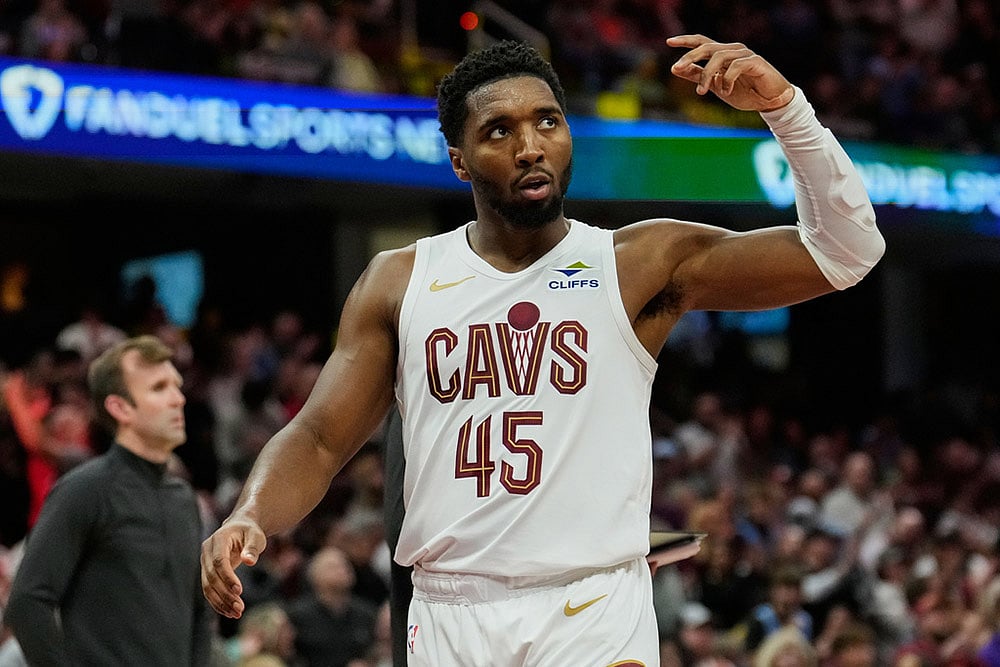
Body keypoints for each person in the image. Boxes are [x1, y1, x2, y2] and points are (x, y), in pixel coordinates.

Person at [201, 34, 885, 666]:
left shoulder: (635, 262)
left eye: (547, 122)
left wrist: (785, 109)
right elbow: (320, 437)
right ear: (459, 159)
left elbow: (846, 252)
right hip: (450, 613)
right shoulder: (400, 278)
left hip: (592, 607)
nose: (530, 145)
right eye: (500, 130)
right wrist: (250, 515)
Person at [5, 335, 212, 665]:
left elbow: (199, 610)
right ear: (120, 407)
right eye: (159, 388)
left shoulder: (183, 499)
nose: (178, 399)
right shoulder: (84, 490)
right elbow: (28, 602)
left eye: (176, 385)